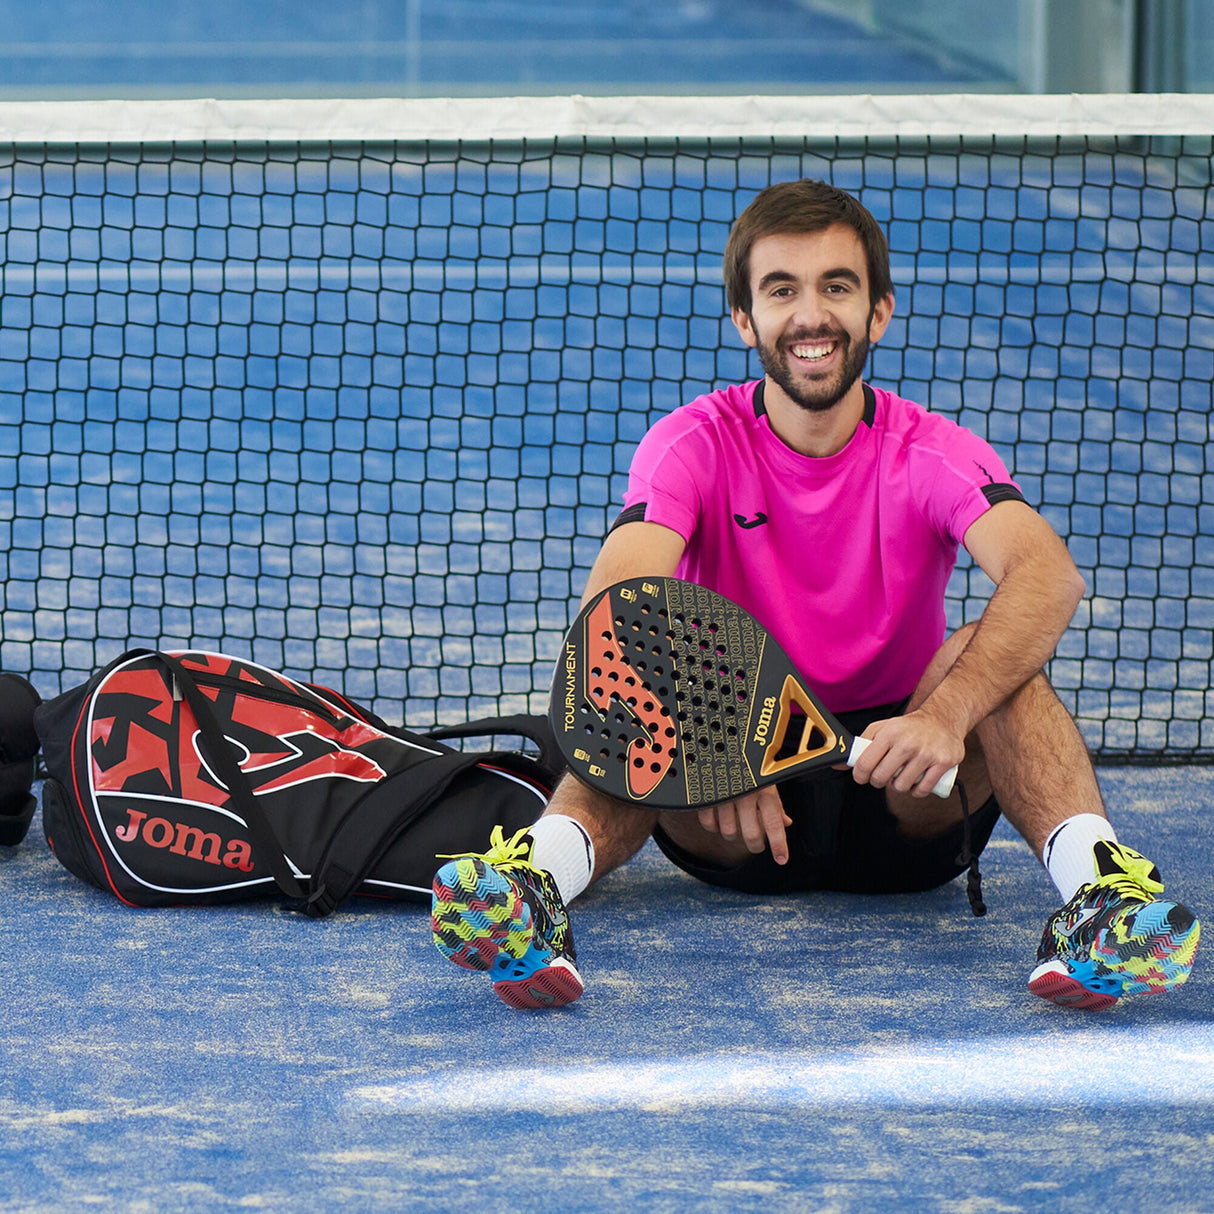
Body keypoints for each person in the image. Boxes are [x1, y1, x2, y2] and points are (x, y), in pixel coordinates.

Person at [430, 178, 1200, 1012]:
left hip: (907, 786)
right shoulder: (691, 444)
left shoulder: (932, 451)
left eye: (837, 286)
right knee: (632, 686)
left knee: (993, 656)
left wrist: (943, 717)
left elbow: (1049, 574)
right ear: (745, 319)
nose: (811, 315)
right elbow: (621, 597)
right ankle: (531, 892)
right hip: (736, 793)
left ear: (878, 313)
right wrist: (724, 742)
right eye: (781, 289)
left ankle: (1104, 902)